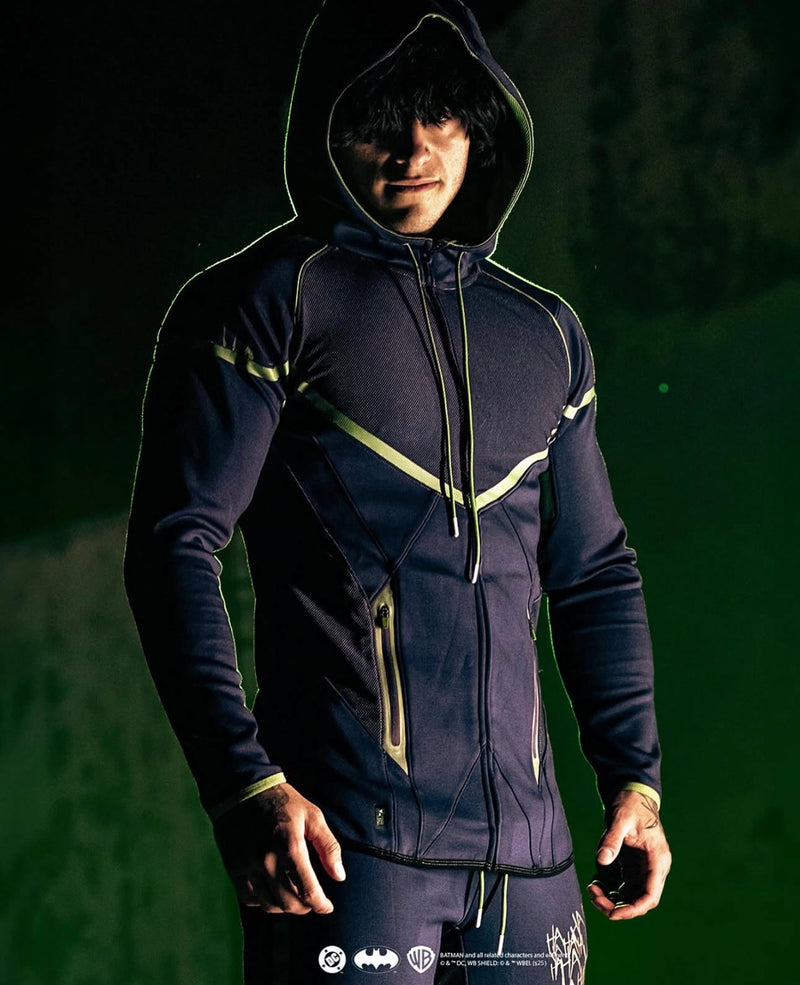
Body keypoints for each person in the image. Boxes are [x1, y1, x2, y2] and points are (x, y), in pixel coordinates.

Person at [124, 1, 671, 982]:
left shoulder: (546, 333)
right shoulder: (265, 300)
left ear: (482, 123)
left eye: (440, 114)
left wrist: (635, 781)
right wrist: (242, 780)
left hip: (534, 863)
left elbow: (594, 570)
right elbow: (176, 541)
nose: (414, 148)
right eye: (380, 117)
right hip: (347, 851)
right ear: (326, 126)